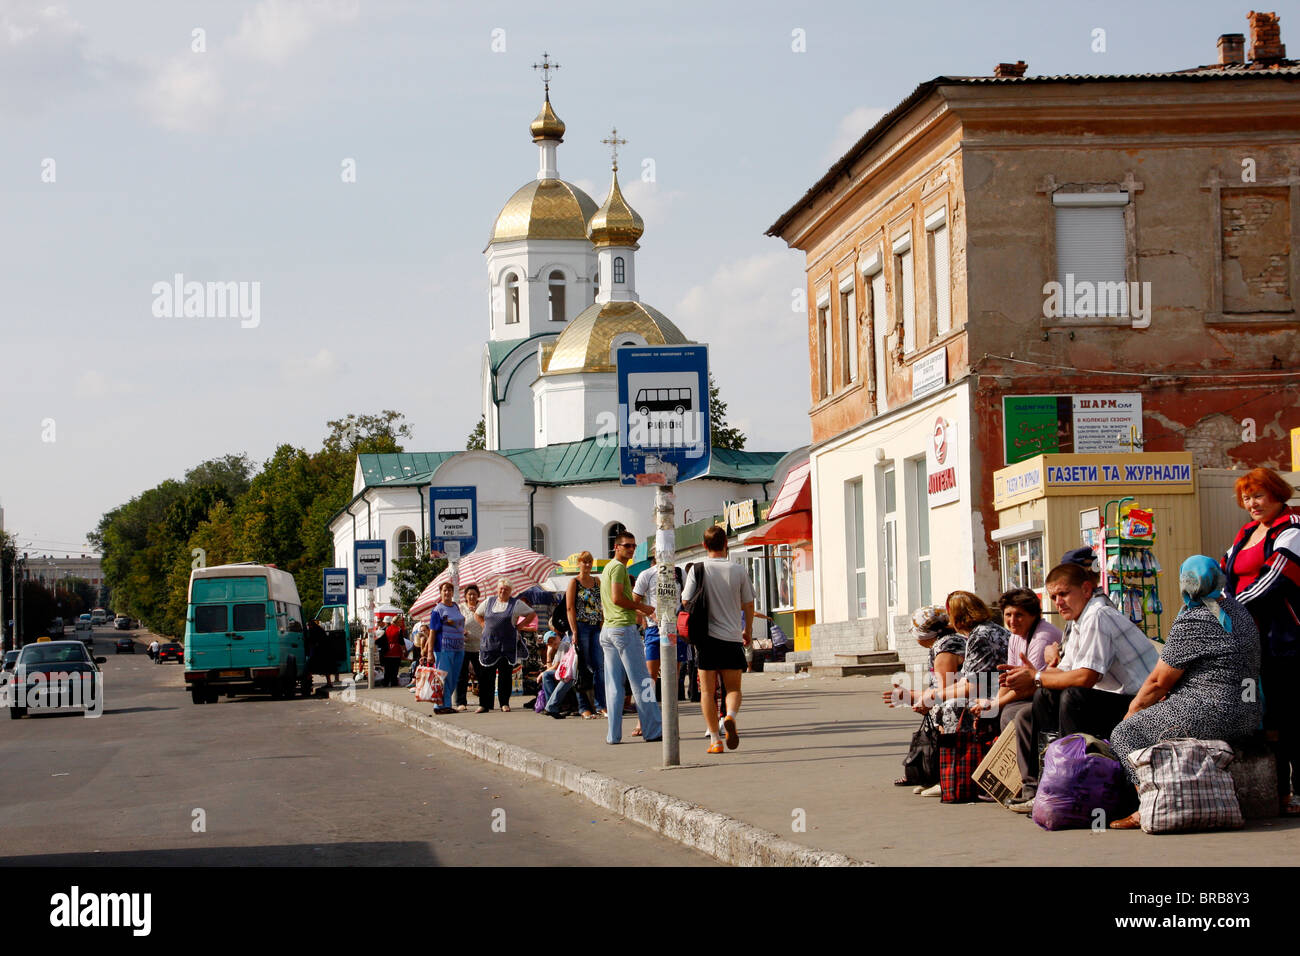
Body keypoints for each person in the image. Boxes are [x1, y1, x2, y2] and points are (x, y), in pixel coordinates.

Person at [1107, 555, 1262, 828]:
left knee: (1125, 733)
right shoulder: (1239, 611)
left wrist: (1132, 712)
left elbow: (1158, 682)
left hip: (1213, 710)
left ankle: (1146, 806)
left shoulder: (1195, 619)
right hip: (1249, 710)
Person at [1000, 562, 1160, 814]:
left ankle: (1073, 782)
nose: (1058, 602)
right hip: (1117, 700)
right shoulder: (1077, 621)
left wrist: (1036, 676)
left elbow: (1085, 677)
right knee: (1039, 701)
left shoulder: (1098, 615)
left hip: (1141, 704)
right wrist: (1030, 676)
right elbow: (1064, 672)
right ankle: (1044, 786)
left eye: (1063, 594)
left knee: (1072, 698)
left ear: (1086, 589)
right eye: (1053, 597)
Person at [1221, 466, 1300, 813]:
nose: (1252, 503)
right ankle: (1277, 791)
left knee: (1290, 717)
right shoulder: (1247, 532)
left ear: (1277, 494)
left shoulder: (1293, 527)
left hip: (1286, 641)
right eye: (1246, 497)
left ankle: (1294, 792)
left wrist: (1230, 607)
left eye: (1258, 495)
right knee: (1265, 718)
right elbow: (1224, 570)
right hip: (1249, 640)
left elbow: (1276, 579)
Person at [681, 524, 754, 755]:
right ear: (726, 544)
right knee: (733, 688)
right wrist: (747, 631)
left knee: (707, 692)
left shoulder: (698, 569)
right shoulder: (738, 570)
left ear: (704, 545)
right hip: (732, 639)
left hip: (705, 640)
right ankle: (730, 717)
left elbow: (685, 601)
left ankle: (715, 740)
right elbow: (749, 604)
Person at [882, 605, 964, 794]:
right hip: (966, 694)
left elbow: (945, 691)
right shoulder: (949, 641)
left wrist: (925, 702)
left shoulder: (944, 649)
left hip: (964, 700)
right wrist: (911, 696)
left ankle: (944, 778)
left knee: (941, 712)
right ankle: (931, 775)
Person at [599, 531, 661, 744]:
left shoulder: (608, 568)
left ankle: (613, 735)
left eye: (634, 546)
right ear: (616, 547)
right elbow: (617, 598)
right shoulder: (617, 568)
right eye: (627, 546)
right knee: (642, 680)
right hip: (623, 630)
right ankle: (653, 729)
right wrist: (641, 606)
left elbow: (613, 601)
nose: (631, 549)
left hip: (608, 629)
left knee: (614, 685)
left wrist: (641, 611)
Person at [923, 591, 1009, 734]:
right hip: (994, 687)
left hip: (997, 692)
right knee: (940, 701)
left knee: (950, 706)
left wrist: (935, 697)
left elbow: (972, 686)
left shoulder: (980, 636)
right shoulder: (990, 628)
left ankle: (958, 753)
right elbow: (967, 680)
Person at [632, 552, 686, 736]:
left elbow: (686, 599)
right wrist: (649, 614)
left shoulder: (679, 573)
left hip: (675, 629)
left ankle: (672, 722)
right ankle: (644, 720)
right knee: (649, 677)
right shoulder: (646, 574)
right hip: (655, 630)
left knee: (674, 676)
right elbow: (634, 602)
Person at [473, 579, 533, 713]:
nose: (503, 591)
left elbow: (531, 614)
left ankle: (504, 703)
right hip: (489, 644)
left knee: (505, 675)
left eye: (506, 589)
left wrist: (520, 626)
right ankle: (484, 704)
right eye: (501, 588)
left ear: (510, 591)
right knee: (486, 675)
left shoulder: (516, 604)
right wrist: (483, 625)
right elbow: (477, 614)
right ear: (497, 589)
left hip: (507, 645)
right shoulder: (488, 601)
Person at [566, 551, 605, 719]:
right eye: (585, 562)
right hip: (581, 626)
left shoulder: (597, 581)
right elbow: (570, 608)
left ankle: (601, 704)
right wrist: (574, 631)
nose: (588, 565)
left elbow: (601, 603)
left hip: (596, 626)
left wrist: (603, 622)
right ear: (579, 564)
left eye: (590, 562)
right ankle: (583, 707)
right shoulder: (574, 582)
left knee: (599, 667)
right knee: (582, 666)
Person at [429, 582, 465, 716]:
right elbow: (432, 632)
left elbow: (456, 624)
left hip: (459, 647)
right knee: (443, 678)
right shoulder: (437, 610)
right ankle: (440, 706)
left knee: (453, 677)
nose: (447, 593)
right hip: (443, 649)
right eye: (445, 590)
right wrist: (429, 652)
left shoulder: (455, 607)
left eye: (450, 590)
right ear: (440, 592)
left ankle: (447, 704)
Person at [538, 630, 578, 719]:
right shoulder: (556, 651)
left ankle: (551, 706)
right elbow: (550, 668)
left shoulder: (563, 645)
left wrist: (543, 673)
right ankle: (551, 706)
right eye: (550, 642)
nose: (553, 642)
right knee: (546, 675)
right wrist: (548, 654)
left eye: (554, 639)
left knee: (546, 675)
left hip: (568, 671)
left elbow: (558, 666)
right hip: (565, 671)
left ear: (558, 637)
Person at [456, 583, 482, 712]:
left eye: (474, 594)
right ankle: (461, 702)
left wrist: (477, 613)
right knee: (462, 675)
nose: (472, 596)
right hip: (463, 646)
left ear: (478, 596)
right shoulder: (460, 608)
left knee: (482, 675)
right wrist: (460, 630)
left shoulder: (482, 607)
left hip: (479, 647)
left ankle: (484, 702)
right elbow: (450, 621)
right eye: (469, 594)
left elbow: (488, 622)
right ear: (465, 596)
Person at [379, 616, 406, 688]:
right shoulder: (398, 630)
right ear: (397, 622)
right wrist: (404, 650)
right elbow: (401, 642)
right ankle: (394, 683)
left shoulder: (386, 629)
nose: (401, 623)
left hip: (387, 650)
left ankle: (386, 682)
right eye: (400, 621)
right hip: (395, 651)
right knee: (394, 669)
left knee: (387, 669)